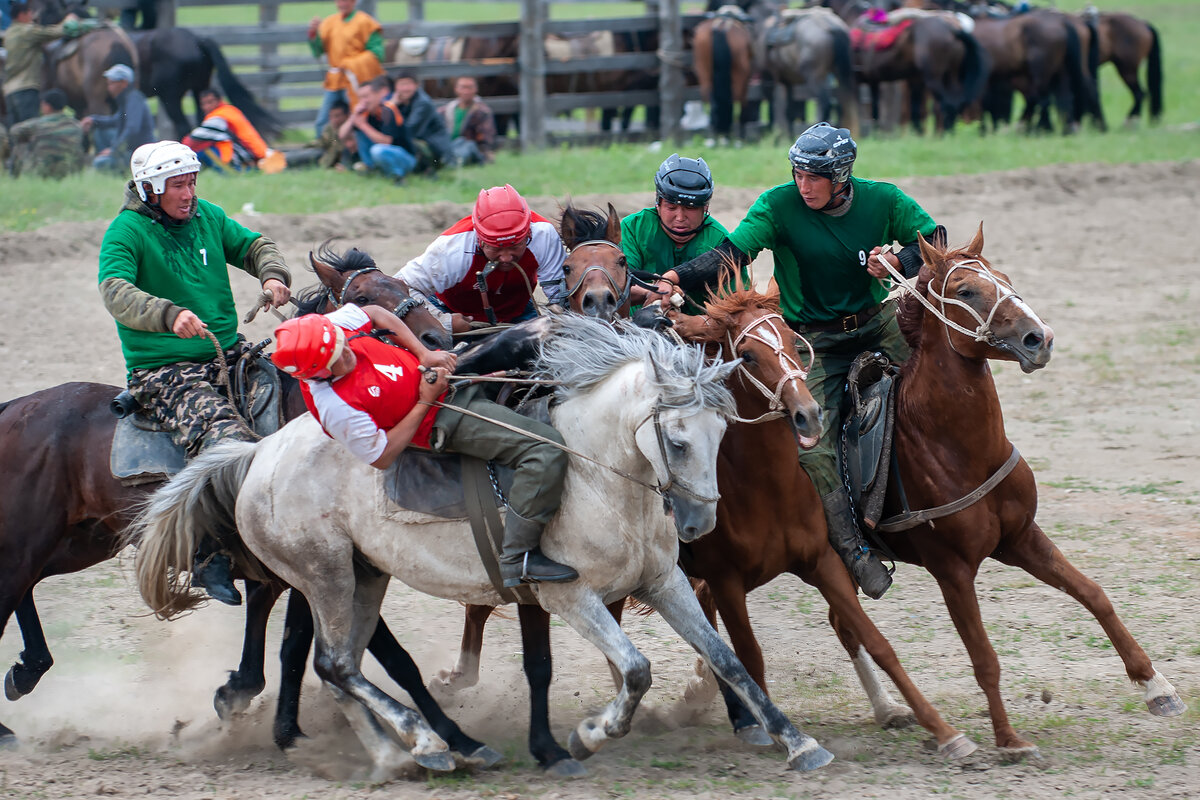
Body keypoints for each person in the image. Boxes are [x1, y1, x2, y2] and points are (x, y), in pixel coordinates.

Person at [662, 122, 938, 600]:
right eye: (798, 174)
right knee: (812, 443)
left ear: (842, 176)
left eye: (815, 177)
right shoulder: (778, 204)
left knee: (938, 386)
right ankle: (853, 551)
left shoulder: (884, 199)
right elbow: (731, 252)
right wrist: (677, 278)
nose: (803, 185)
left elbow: (933, 237)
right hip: (815, 340)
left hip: (879, 322)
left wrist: (898, 262)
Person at [97, 140, 292, 602]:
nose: (189, 194)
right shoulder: (124, 233)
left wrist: (271, 275)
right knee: (227, 443)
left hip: (228, 354)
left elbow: (255, 245)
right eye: (178, 186)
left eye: (191, 182)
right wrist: (168, 314)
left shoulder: (208, 216)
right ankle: (207, 552)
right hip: (164, 370)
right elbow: (115, 291)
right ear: (149, 189)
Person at [272, 304, 579, 587]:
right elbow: (382, 455)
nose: (346, 354)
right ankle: (519, 557)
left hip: (444, 375)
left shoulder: (326, 329)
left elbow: (377, 312)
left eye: (342, 344)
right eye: (335, 361)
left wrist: (423, 354)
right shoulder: (334, 407)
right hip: (439, 417)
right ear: (317, 374)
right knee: (544, 449)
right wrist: (425, 400)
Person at [396, 184, 567, 333]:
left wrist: (560, 317)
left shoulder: (543, 235)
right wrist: (442, 321)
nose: (506, 258)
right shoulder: (453, 247)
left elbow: (559, 293)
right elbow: (399, 286)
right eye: (496, 248)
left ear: (528, 233)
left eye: (516, 246)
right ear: (480, 239)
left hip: (517, 312)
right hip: (452, 311)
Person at [622, 154, 741, 313]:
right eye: (671, 207)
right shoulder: (633, 227)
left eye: (691, 208)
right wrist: (657, 293)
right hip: (636, 329)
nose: (680, 217)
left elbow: (736, 303)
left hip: (699, 332)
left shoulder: (719, 238)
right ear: (658, 202)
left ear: (705, 207)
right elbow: (617, 286)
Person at [307, 0, 384, 139]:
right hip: (335, 81)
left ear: (353, 2)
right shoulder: (330, 23)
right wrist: (314, 34)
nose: (343, 4)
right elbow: (319, 50)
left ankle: (356, 154)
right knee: (323, 120)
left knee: (358, 117)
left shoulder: (365, 22)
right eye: (340, 1)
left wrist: (350, 64)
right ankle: (323, 154)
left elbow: (377, 54)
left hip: (356, 80)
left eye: (346, 1)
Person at [2, 1, 86, 126]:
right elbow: (54, 32)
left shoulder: (8, 34)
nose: (31, 17)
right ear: (21, 15)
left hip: (9, 91)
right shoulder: (27, 31)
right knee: (31, 128)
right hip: (26, 88)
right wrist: (69, 21)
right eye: (29, 13)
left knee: (16, 132)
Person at [339, 74, 417, 182]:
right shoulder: (364, 113)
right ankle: (370, 168)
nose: (363, 101)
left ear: (378, 95)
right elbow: (341, 135)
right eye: (360, 98)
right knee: (360, 134)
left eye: (366, 96)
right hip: (382, 155)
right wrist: (353, 117)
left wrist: (363, 125)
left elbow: (387, 141)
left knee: (377, 150)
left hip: (405, 158)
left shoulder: (388, 111)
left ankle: (397, 175)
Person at [81, 64, 155, 171]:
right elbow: (115, 121)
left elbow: (132, 129)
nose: (109, 87)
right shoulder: (127, 99)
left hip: (138, 152)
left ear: (124, 83)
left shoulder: (133, 99)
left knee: (99, 164)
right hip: (130, 149)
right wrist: (93, 120)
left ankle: (115, 162)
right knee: (100, 132)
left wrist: (114, 149)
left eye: (112, 83)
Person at [182, 88, 270, 172]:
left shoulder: (218, 117)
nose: (206, 107)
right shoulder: (231, 110)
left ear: (219, 100)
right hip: (258, 157)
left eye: (210, 102)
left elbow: (191, 139)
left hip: (243, 162)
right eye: (203, 104)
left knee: (201, 151)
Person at [9, 87, 85, 179]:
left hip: (42, 171)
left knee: (19, 145)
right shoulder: (77, 125)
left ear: (47, 106)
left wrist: (30, 137)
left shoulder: (37, 124)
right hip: (70, 170)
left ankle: (13, 178)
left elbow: (13, 131)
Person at [391, 72, 452, 172]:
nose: (405, 88)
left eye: (408, 84)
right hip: (420, 143)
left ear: (416, 85)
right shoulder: (400, 102)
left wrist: (391, 107)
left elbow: (409, 130)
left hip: (434, 148)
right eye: (402, 84)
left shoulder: (423, 103)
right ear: (396, 87)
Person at [439, 76, 497, 166]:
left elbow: (486, 139)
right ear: (456, 89)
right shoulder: (445, 110)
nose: (466, 91)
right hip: (450, 145)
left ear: (476, 89)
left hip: (471, 147)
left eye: (470, 87)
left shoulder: (482, 112)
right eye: (463, 87)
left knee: (466, 145)